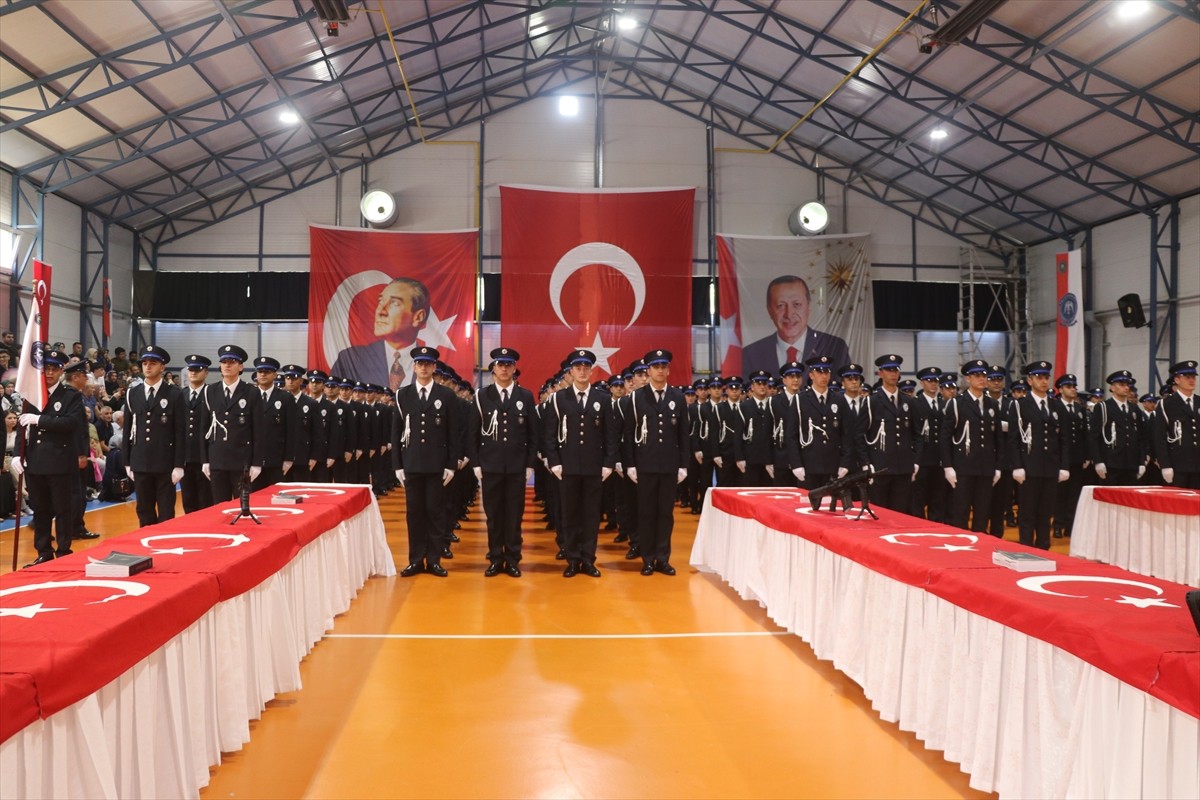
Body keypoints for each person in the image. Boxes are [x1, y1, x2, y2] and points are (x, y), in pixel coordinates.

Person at [545, 349, 616, 578]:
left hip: (594, 468)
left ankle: (588, 559)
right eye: (578, 367)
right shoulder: (558, 399)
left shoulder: (603, 399)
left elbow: (610, 435)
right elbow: (550, 434)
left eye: (586, 367)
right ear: (571, 371)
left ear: (592, 370)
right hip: (567, 468)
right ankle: (572, 559)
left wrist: (608, 463)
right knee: (570, 515)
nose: (582, 371)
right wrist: (554, 462)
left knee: (591, 515)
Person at [13, 348, 87, 565]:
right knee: (41, 510)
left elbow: (70, 424)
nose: (49, 372)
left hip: (60, 462)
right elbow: (22, 426)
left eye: (54, 368)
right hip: (35, 462)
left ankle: (64, 551)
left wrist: (40, 420)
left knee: (63, 510)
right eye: (46, 368)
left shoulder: (70, 396)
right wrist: (18, 454)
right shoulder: (31, 395)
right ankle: (43, 551)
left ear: (61, 370)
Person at [392, 346, 462, 578]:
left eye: (427, 364)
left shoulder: (446, 395)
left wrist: (451, 465)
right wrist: (398, 465)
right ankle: (415, 559)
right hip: (411, 464)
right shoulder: (403, 395)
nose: (423, 367)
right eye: (419, 363)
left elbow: (453, 433)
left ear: (434, 367)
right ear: (414, 367)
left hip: (437, 466)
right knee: (414, 514)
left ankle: (433, 560)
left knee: (435, 513)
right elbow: (396, 433)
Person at [467, 347, 536, 577]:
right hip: (491, 465)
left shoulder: (525, 396)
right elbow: (472, 433)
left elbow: (532, 434)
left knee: (515, 514)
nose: (504, 368)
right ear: (493, 369)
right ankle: (496, 557)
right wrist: (476, 463)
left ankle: (513, 558)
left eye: (508, 365)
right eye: (500, 365)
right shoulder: (481, 396)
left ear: (514, 369)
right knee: (494, 515)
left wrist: (529, 465)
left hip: (516, 467)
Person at [621, 349, 688, 577]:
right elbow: (628, 434)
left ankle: (663, 558)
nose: (660, 371)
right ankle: (648, 559)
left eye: (663, 367)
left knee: (665, 514)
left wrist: (683, 465)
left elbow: (683, 434)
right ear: (648, 371)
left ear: (668, 370)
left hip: (669, 466)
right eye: (655, 367)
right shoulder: (636, 398)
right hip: (645, 465)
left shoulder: (677, 398)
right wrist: (630, 464)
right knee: (647, 513)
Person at [740, 276, 851, 379]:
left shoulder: (834, 347)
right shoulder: (751, 354)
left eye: (797, 304)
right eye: (781, 305)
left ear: (808, 306)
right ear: (769, 310)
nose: (789, 314)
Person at [123, 345, 185, 526]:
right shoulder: (132, 393)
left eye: (153, 363)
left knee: (166, 511)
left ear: (162, 367)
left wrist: (179, 465)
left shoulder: (174, 394)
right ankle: (146, 547)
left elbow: (180, 432)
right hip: (140, 461)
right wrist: (127, 462)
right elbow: (128, 429)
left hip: (165, 463)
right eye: (145, 363)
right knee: (144, 510)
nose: (148, 366)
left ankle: (164, 547)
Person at [331, 277, 430, 390]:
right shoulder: (350, 359)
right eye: (380, 302)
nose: (380, 311)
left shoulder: (432, 367)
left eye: (394, 303)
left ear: (418, 317)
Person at [200, 344, 263, 503]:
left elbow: (258, 430)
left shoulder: (251, 392)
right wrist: (205, 460)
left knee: (243, 506)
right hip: (217, 459)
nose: (227, 365)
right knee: (220, 507)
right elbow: (204, 428)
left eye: (232, 362)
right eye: (224, 362)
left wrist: (256, 463)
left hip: (241, 461)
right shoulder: (210, 391)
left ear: (240, 366)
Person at [860, 354, 922, 511]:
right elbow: (859, 436)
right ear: (881, 373)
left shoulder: (909, 401)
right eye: (889, 370)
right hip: (880, 467)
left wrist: (914, 460)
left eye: (896, 370)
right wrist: (867, 464)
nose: (893, 374)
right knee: (880, 513)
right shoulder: (871, 402)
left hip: (904, 468)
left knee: (900, 514)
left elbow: (917, 435)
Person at [1089, 369, 1146, 485]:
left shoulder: (1134, 409)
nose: (1126, 387)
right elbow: (1094, 437)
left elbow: (1141, 437)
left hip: (1131, 463)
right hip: (1110, 463)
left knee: (1128, 500)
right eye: (1121, 384)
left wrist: (1141, 462)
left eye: (1127, 384)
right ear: (1112, 388)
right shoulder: (1103, 407)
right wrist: (1098, 461)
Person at [250, 356, 298, 490]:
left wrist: (288, 458)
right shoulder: (248, 396)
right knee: (254, 499)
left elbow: (291, 430)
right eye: (260, 371)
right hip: (253, 460)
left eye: (267, 371)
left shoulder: (285, 397)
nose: (263, 374)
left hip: (276, 459)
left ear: (275, 374)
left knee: (275, 498)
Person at [1152, 359, 1199, 488]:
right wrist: (1165, 464)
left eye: (1193, 377)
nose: (1192, 380)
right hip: (1177, 465)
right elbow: (1159, 437)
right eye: (1187, 377)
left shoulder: (1198, 401)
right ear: (1177, 380)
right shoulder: (1166, 403)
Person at [180, 354, 214, 512]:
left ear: (206, 373)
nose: (193, 373)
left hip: (205, 457)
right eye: (191, 370)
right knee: (188, 500)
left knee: (206, 500)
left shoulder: (212, 395)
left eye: (197, 370)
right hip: (185, 457)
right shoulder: (181, 395)